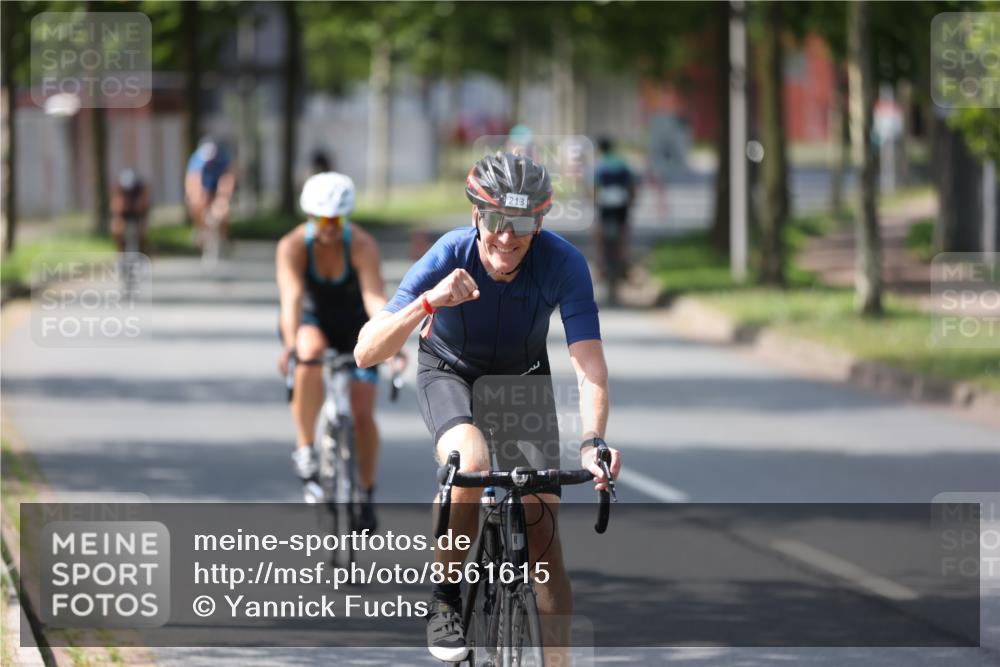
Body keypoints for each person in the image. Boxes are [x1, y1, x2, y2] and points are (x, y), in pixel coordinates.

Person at [354, 152, 622, 663]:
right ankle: (446, 599)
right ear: (477, 214)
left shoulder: (563, 262)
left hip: (520, 381)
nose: (507, 235)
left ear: (539, 222)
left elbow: (589, 364)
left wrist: (593, 441)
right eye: (496, 219)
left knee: (543, 529)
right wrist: (429, 302)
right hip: (449, 372)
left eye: (522, 222)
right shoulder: (450, 252)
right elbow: (366, 350)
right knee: (471, 464)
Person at [276, 172, 401, 532]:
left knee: (362, 411)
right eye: (321, 219)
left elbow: (375, 298)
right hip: (312, 320)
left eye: (336, 220)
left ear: (345, 218)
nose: (328, 227)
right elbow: (292, 300)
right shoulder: (293, 246)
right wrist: (289, 345)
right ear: (309, 216)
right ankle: (304, 448)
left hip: (354, 325)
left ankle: (366, 491)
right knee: (309, 351)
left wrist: (391, 341)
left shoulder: (361, 244)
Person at [594, 136, 637, 298]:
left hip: (605, 204)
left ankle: (599, 265)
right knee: (624, 232)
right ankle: (625, 259)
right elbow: (631, 183)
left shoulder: (600, 164)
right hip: (622, 204)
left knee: (599, 232)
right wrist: (632, 199)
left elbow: (593, 186)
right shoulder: (622, 162)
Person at [185, 137, 236, 248]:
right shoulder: (197, 159)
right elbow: (193, 181)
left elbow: (227, 179)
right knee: (195, 203)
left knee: (224, 210)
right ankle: (201, 230)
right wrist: (197, 196)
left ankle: (224, 237)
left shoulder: (223, 159)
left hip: (217, 188)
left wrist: (223, 198)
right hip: (204, 187)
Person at [111, 168, 149, 253]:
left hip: (138, 214)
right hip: (124, 213)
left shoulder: (141, 189)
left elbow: (144, 204)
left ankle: (143, 250)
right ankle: (120, 250)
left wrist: (140, 209)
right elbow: (115, 206)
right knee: (116, 228)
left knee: (142, 231)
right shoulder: (119, 190)